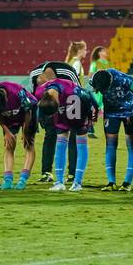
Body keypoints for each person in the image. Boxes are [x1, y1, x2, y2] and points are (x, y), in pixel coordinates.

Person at [35, 76, 97, 192]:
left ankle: (77, 182)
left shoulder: (73, 90)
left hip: (76, 104)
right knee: (61, 141)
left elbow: (89, 96)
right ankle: (59, 182)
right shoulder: (40, 92)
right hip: (62, 110)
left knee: (80, 140)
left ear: (57, 101)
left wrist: (93, 113)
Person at [28, 55, 81, 183]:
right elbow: (34, 100)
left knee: (73, 134)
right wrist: (33, 122)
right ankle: (46, 172)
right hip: (48, 104)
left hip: (71, 101)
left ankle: (72, 173)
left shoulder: (68, 72)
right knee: (50, 133)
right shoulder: (35, 76)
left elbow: (80, 92)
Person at [91, 67, 133, 191]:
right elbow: (93, 91)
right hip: (111, 112)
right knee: (110, 145)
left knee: (132, 145)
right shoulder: (95, 79)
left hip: (130, 112)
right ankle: (111, 182)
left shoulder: (125, 80)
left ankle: (127, 183)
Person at [0, 81, 36, 189]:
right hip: (8, 117)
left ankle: (23, 180)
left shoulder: (18, 92)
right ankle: (7, 180)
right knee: (9, 145)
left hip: (28, 113)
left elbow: (28, 111)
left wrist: (25, 131)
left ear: (6, 99)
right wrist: (6, 131)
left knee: (28, 144)